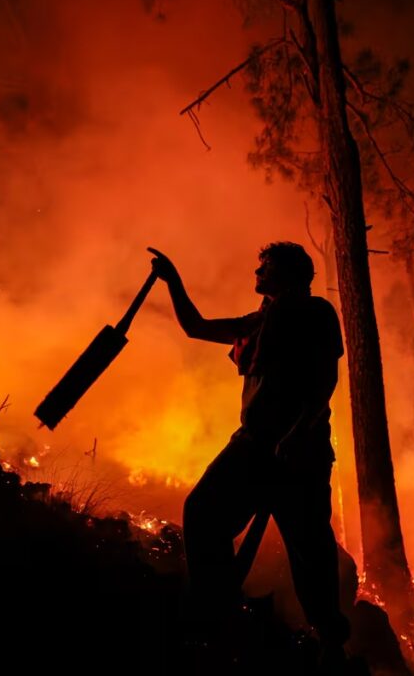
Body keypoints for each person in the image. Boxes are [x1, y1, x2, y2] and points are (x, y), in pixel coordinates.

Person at [147, 243, 351, 664]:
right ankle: (217, 615)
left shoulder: (316, 313)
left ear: (291, 273)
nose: (257, 273)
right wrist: (173, 280)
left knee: (309, 551)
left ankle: (332, 645)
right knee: (202, 512)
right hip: (253, 444)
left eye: (266, 267)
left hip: (301, 453)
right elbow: (195, 327)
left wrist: (297, 433)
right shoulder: (260, 321)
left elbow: (324, 381)